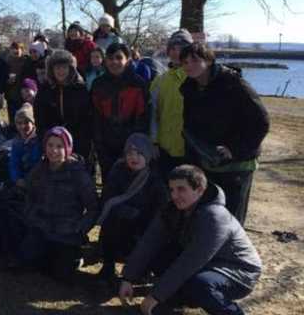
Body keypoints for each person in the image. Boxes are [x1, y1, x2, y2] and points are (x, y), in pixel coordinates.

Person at [119, 165, 262, 315]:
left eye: (181, 189)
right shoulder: (173, 208)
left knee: (201, 285)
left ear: (199, 189)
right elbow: (149, 241)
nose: (174, 195)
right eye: (172, 189)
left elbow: (190, 261)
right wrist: (128, 278)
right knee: (159, 255)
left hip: (238, 270)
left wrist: (155, 296)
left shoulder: (215, 216)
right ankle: (180, 297)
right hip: (208, 263)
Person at [179, 43, 269, 225]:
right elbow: (191, 125)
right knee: (208, 218)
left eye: (195, 60)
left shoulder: (234, 84)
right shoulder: (190, 88)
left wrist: (234, 149)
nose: (189, 65)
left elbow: (261, 122)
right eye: (185, 62)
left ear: (209, 60)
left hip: (237, 165)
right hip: (208, 162)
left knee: (230, 222)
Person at [7, 126, 98, 279]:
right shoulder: (39, 169)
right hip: (42, 228)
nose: (53, 150)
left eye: (59, 146)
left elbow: (93, 208)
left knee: (61, 274)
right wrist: (32, 217)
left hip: (67, 232)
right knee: (27, 262)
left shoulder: (78, 174)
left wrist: (80, 229)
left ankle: (78, 256)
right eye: (50, 145)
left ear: (67, 149)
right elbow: (30, 195)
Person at [97, 133, 167, 282]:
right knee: (111, 220)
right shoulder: (117, 170)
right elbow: (108, 196)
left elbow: (161, 209)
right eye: (130, 153)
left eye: (139, 153)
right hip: (120, 219)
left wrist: (139, 215)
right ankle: (108, 265)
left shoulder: (155, 178)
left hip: (142, 224)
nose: (133, 157)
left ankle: (142, 268)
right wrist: (125, 211)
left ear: (147, 155)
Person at [91, 42, 149, 181]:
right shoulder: (98, 84)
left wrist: (134, 145)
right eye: (110, 58)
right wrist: (99, 144)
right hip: (106, 145)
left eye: (119, 58)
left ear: (127, 60)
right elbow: (95, 116)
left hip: (131, 146)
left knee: (132, 183)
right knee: (110, 183)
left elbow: (142, 117)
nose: (114, 62)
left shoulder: (138, 84)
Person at [150, 29, 194, 177]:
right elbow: (153, 115)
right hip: (165, 150)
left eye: (181, 48)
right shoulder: (159, 81)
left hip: (193, 151)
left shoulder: (197, 79)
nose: (176, 52)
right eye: (172, 48)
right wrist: (154, 142)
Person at [33, 49, 92, 157]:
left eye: (64, 67)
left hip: (76, 142)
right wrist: (46, 141)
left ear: (71, 69)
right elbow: (39, 118)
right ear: (52, 69)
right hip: (51, 142)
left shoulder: (80, 89)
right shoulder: (45, 89)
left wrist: (80, 147)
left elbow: (86, 120)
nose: (61, 71)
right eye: (57, 68)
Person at [8, 103, 42, 187]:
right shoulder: (16, 142)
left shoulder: (39, 140)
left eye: (26, 122)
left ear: (33, 123)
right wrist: (17, 179)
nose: (23, 126)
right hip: (22, 181)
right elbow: (14, 163)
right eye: (19, 123)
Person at [4, 41, 30, 125]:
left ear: (22, 50)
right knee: (12, 119)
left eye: (18, 48)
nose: (16, 51)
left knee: (24, 119)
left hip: (23, 96)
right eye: (14, 49)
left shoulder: (26, 61)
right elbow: (2, 77)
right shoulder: (7, 62)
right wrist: (7, 81)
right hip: (11, 95)